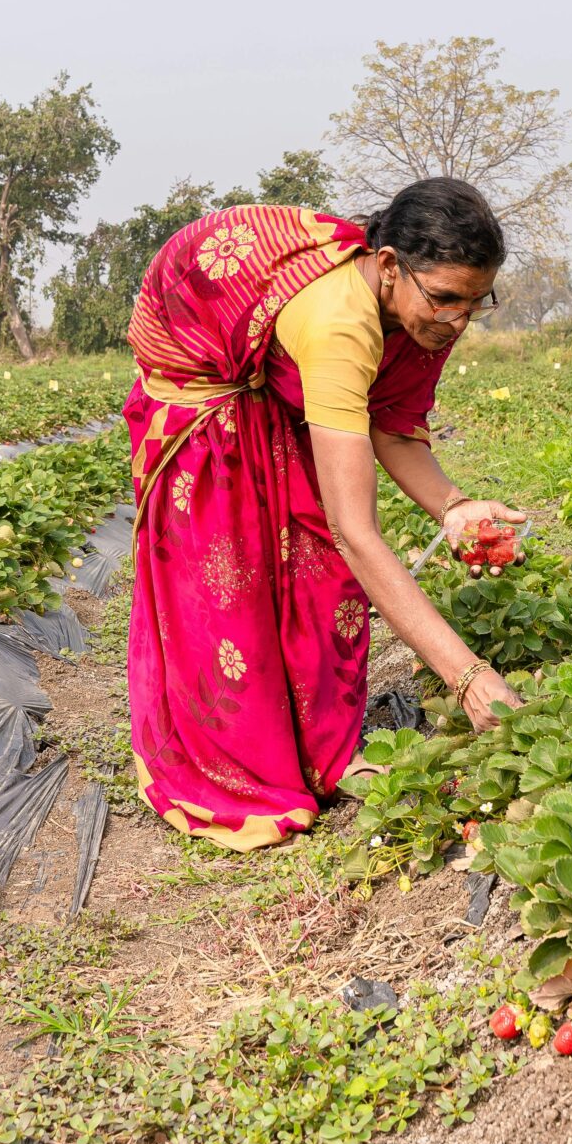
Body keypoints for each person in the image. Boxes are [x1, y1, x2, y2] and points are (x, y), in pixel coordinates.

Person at [119, 177, 526, 850]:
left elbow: (391, 427)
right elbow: (357, 533)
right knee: (233, 580)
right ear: (390, 265)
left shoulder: (416, 309)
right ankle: (241, 769)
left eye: (475, 304)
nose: (456, 320)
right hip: (202, 375)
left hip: (271, 367)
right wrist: (471, 678)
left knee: (316, 571)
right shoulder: (340, 323)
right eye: (446, 299)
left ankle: (324, 753)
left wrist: (454, 505)